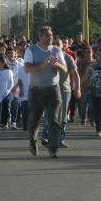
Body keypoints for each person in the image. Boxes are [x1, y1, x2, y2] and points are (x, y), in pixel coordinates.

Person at [24, 26, 67, 159]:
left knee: (54, 120)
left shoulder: (56, 50)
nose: (50, 38)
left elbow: (64, 69)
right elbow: (27, 68)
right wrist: (43, 64)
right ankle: (32, 141)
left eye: (51, 35)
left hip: (53, 89)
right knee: (34, 120)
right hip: (36, 90)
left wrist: (56, 65)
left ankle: (53, 149)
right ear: (40, 37)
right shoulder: (31, 50)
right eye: (47, 35)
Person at [42, 37, 80, 149]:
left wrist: (77, 88)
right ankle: (46, 137)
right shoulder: (46, 57)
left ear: (64, 45)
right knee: (50, 115)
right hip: (49, 89)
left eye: (58, 44)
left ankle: (60, 139)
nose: (56, 46)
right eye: (54, 44)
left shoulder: (68, 58)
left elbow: (75, 73)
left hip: (64, 90)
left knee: (63, 117)